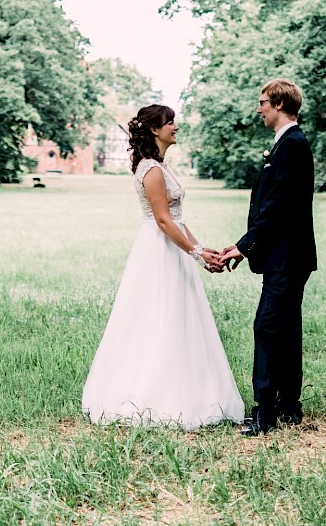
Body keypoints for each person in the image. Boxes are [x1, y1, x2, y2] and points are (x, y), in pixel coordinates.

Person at [82, 104, 244, 430]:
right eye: (170, 122)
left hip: (173, 247)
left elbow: (178, 221)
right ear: (155, 129)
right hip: (159, 252)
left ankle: (190, 387)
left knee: (178, 317)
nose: (176, 126)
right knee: (158, 318)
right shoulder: (150, 170)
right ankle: (152, 395)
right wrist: (196, 253)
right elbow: (162, 221)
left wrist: (202, 249)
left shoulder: (161, 165)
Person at [218, 78, 317, 435]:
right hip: (286, 255)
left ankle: (265, 413)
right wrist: (246, 246)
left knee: (269, 327)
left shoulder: (292, 145)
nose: (258, 109)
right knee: (286, 330)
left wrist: (244, 246)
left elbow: (276, 207)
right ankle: (288, 406)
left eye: (262, 102)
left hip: (287, 256)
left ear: (278, 103)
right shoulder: (285, 144)